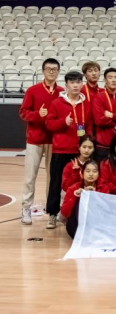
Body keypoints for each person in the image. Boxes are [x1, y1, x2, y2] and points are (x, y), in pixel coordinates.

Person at [45, 70, 92, 230]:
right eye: (72, 82)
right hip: (61, 150)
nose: (75, 85)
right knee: (56, 183)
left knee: (80, 182)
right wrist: (62, 122)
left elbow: (89, 126)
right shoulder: (57, 103)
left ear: (82, 84)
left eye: (78, 82)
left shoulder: (86, 104)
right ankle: (52, 214)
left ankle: (75, 214)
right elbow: (49, 124)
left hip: (80, 152)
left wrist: (87, 145)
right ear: (66, 85)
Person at [19, 58, 63, 225]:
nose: (51, 71)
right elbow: (23, 113)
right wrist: (38, 114)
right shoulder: (32, 90)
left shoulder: (62, 92)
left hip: (54, 140)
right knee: (30, 177)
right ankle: (26, 208)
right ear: (43, 71)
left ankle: (52, 210)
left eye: (54, 69)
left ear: (58, 72)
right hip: (35, 139)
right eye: (48, 69)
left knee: (53, 178)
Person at [61, 160, 107, 239]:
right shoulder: (73, 188)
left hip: (97, 224)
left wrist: (95, 195)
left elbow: (106, 211)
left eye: (94, 171)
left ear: (99, 174)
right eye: (88, 171)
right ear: (82, 173)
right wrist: (76, 196)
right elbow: (65, 212)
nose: (91, 174)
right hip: (77, 224)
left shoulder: (103, 188)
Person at [92, 67, 116, 160]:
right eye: (110, 77)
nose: (113, 80)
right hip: (103, 145)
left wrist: (112, 115)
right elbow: (99, 121)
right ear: (105, 80)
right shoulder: (98, 98)